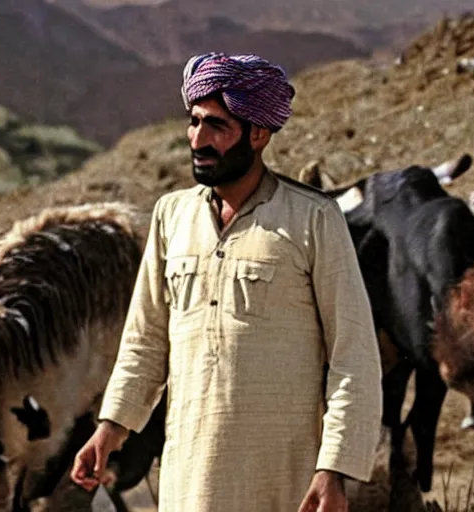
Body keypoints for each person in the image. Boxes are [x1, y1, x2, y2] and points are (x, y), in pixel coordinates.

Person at [71, 52, 382, 512]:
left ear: (258, 134)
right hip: (188, 478)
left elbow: (353, 358)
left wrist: (333, 470)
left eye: (217, 125)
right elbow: (146, 341)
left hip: (285, 485)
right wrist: (110, 427)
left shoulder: (314, 219)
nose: (199, 139)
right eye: (194, 122)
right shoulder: (171, 216)